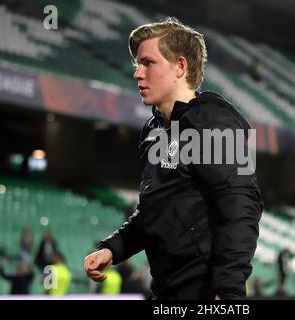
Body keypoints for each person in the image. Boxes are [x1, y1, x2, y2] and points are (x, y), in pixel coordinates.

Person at [84, 17, 263, 300]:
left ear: (180, 66)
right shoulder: (154, 131)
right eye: (136, 65)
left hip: (205, 293)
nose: (137, 74)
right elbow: (155, 213)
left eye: (148, 63)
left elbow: (240, 206)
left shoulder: (215, 122)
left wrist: (227, 288)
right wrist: (113, 248)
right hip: (167, 293)